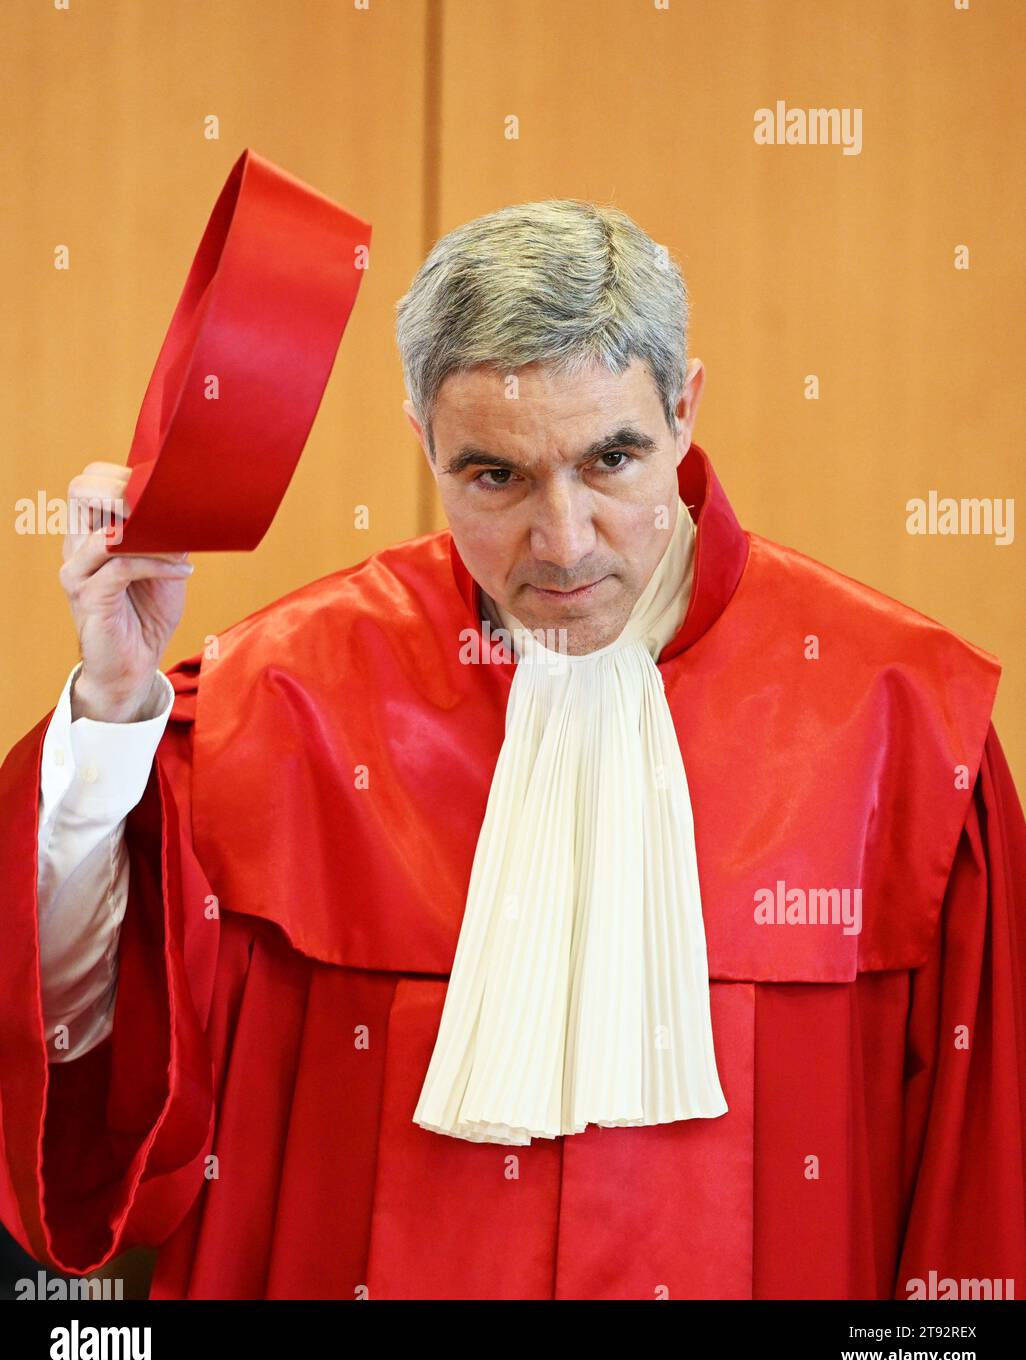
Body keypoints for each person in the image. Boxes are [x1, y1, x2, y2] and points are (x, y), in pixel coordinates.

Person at [1, 200, 1024, 1300]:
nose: (564, 541)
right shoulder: (287, 697)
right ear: (424, 443)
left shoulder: (898, 716)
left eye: (613, 458)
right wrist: (111, 712)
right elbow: (92, 1064)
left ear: (684, 411)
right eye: (496, 476)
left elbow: (979, 1189)